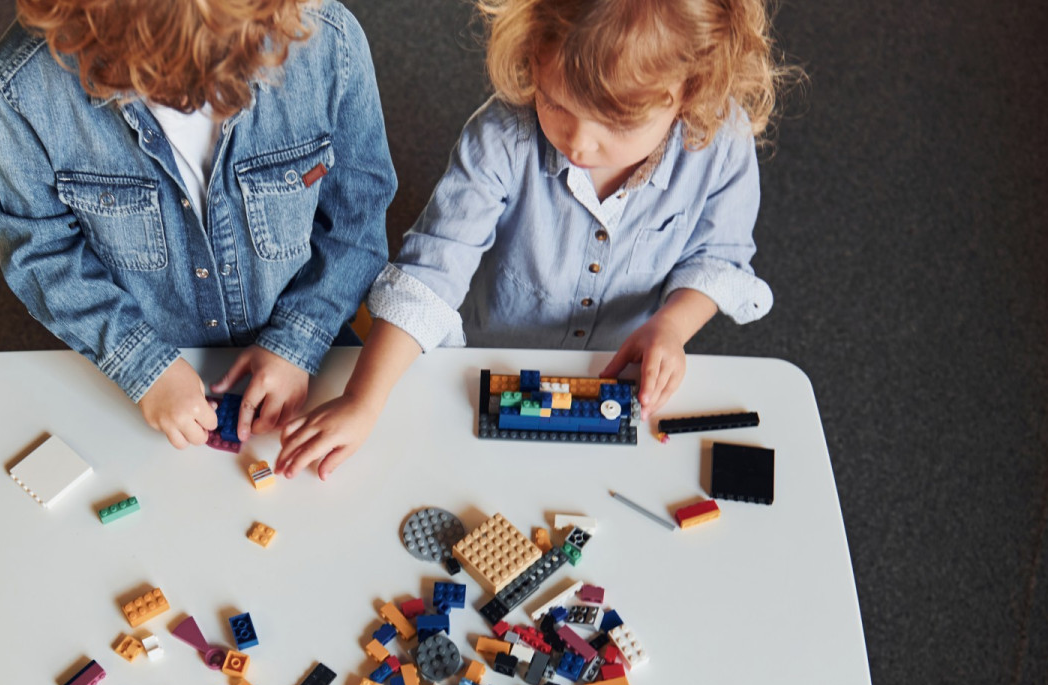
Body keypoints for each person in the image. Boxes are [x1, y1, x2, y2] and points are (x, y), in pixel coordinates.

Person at [277, 0, 790, 478]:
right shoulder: (503, 135)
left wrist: (672, 326)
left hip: (614, 375)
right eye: (555, 103)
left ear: (691, 90)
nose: (579, 143)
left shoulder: (721, 143)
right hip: (491, 361)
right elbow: (430, 272)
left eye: (617, 125)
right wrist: (363, 401)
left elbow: (716, 256)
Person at [0, 0, 395, 447]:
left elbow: (357, 217)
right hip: (140, 367)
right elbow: (42, 251)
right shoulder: (16, 89)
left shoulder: (327, 39)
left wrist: (297, 342)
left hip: (313, 342)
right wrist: (143, 365)